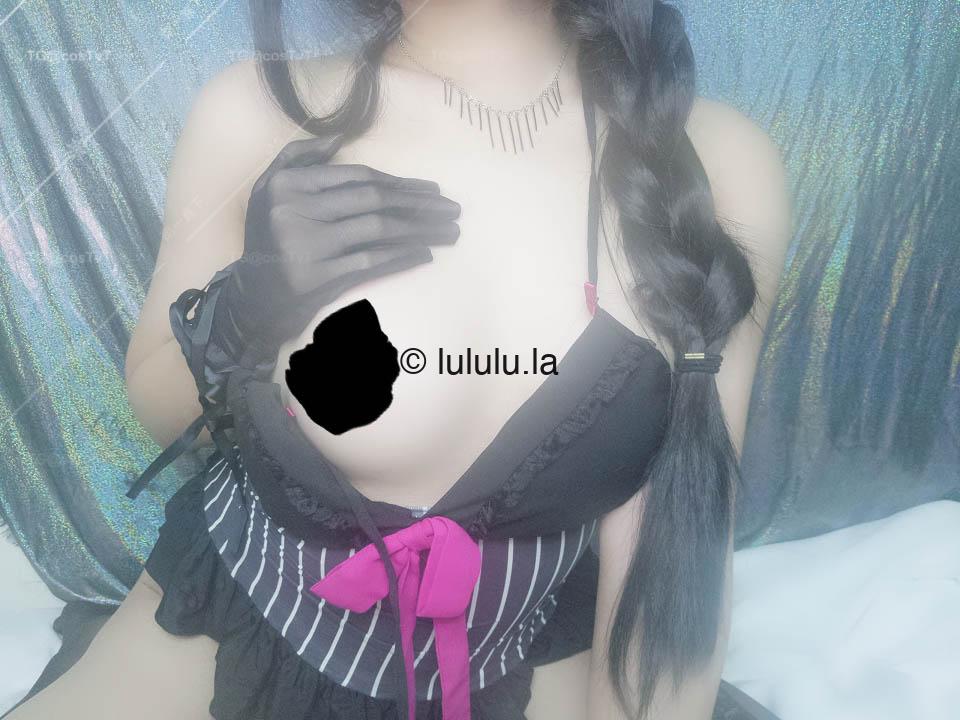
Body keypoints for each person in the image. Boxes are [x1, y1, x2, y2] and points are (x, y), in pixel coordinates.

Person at [7, 1, 791, 719]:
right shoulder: (257, 114)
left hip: (525, 662)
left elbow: (684, 540)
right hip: (226, 637)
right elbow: (160, 410)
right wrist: (247, 304)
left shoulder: (715, 166)